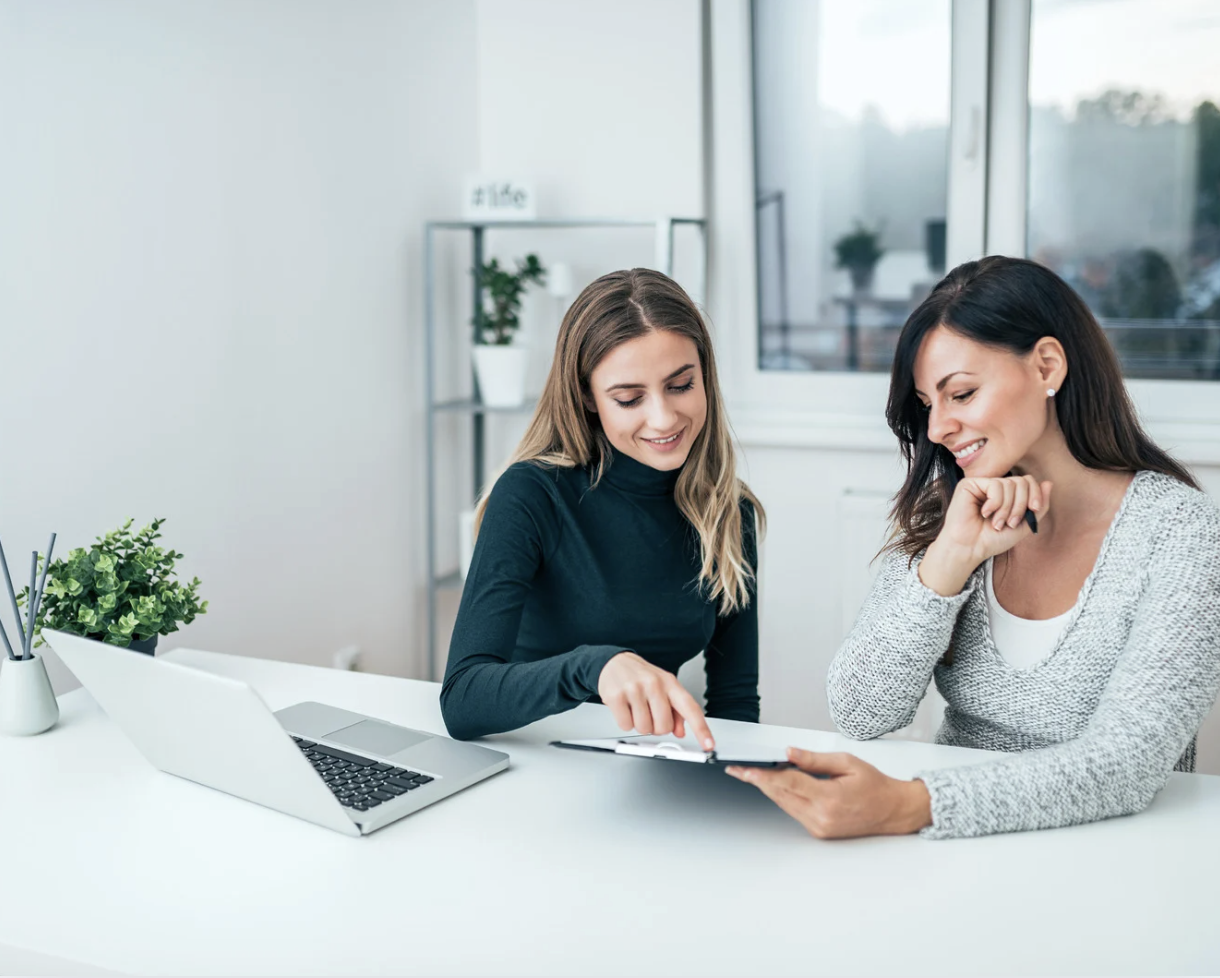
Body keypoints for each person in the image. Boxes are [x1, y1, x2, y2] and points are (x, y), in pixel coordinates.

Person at [729, 256, 1220, 839]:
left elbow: (1127, 764)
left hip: (1109, 855)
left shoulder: (1181, 530)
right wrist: (950, 560)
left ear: (1046, 366)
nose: (937, 429)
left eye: (960, 393)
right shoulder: (952, 514)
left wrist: (910, 805)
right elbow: (861, 711)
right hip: (954, 850)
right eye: (927, 404)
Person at [440, 268, 764, 745]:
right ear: (588, 399)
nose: (664, 417)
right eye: (630, 398)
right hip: (531, 757)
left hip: (648, 769)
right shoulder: (531, 495)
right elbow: (462, 700)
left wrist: (733, 785)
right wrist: (594, 666)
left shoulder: (726, 510)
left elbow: (735, 701)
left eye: (681, 386)